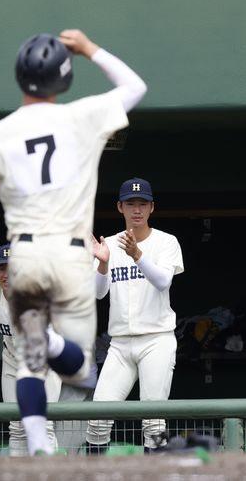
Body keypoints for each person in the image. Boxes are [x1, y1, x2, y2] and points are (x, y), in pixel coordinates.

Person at [0, 29, 147, 455]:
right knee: (73, 364)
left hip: (29, 252)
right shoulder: (82, 115)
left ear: (19, 77)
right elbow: (136, 87)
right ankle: (55, 358)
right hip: (75, 252)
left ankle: (39, 434)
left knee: (33, 363)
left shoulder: (0, 132)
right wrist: (90, 48)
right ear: (64, 78)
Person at [85, 178, 184, 453]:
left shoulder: (166, 241)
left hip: (157, 339)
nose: (136, 209)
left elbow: (163, 281)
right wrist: (103, 263)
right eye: (130, 203)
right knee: (97, 420)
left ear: (152, 207)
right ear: (120, 207)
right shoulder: (110, 244)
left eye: (142, 204)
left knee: (154, 423)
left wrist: (137, 255)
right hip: (120, 343)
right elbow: (98, 293)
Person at [0, 244, 61, 456]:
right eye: (1, 268)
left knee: (43, 424)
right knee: (16, 426)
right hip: (12, 360)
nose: (6, 274)